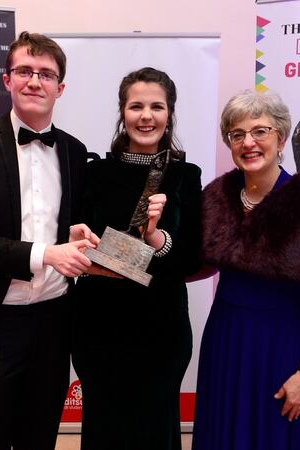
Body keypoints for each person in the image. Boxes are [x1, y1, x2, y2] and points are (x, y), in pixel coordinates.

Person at [0, 31, 94, 450]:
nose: (34, 81)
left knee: (40, 437)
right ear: (6, 79)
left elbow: (56, 223)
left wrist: (72, 234)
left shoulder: (74, 150)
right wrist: (49, 253)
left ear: (60, 88)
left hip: (54, 322)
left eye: (46, 74)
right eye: (24, 70)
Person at [192, 91, 300, 450]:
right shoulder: (216, 196)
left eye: (260, 131)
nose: (248, 142)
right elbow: (199, 266)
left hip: (285, 347)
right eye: (237, 134)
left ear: (281, 137)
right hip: (227, 342)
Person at [70, 67, 202, 450]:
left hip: (160, 329)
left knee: (155, 429)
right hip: (99, 327)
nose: (147, 116)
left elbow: (191, 259)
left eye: (157, 106)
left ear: (169, 113)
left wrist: (156, 238)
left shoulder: (186, 175)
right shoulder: (94, 173)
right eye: (136, 106)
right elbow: (76, 243)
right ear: (122, 113)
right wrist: (83, 246)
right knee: (105, 427)